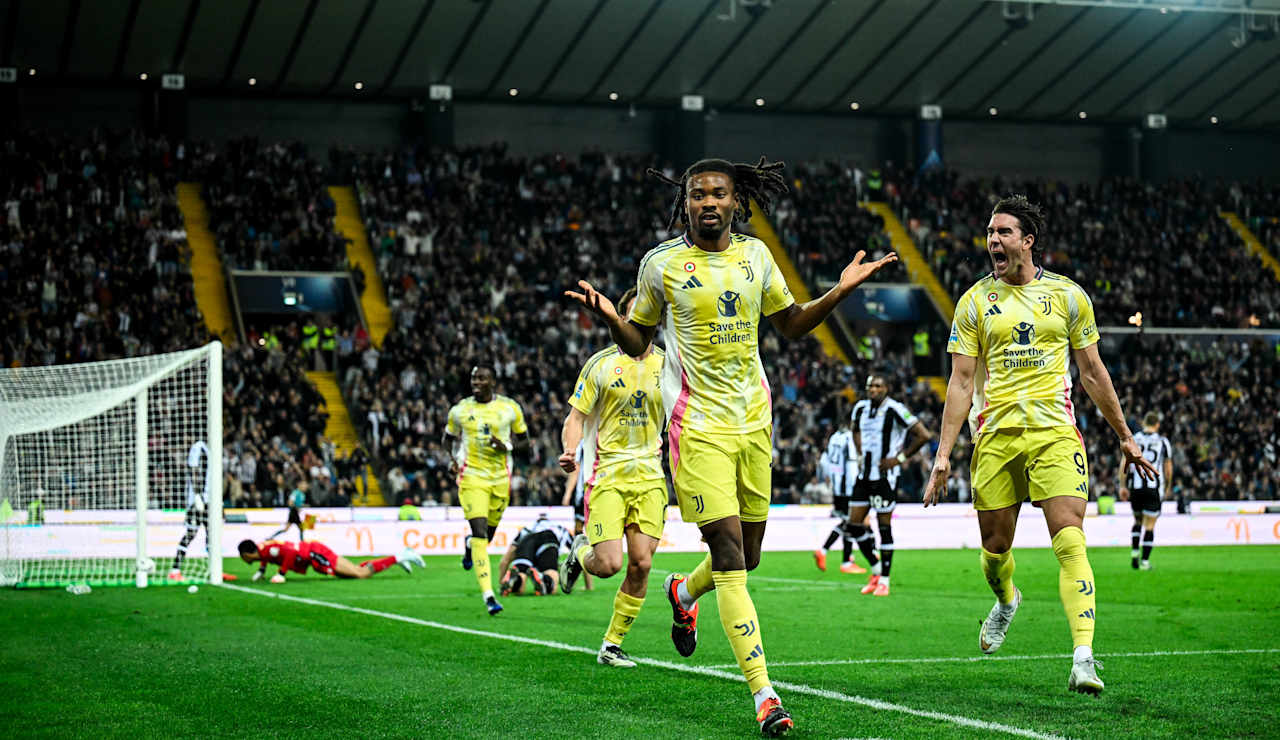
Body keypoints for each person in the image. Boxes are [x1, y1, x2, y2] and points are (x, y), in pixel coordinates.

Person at [566, 156, 896, 735]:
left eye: (718, 193)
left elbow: (790, 324)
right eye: (698, 195)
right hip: (696, 429)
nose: (708, 202)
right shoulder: (661, 265)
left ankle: (682, 591)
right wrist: (612, 319)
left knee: (749, 553)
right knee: (730, 558)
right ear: (686, 203)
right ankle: (764, 694)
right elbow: (640, 338)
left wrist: (839, 291)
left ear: (735, 201)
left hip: (754, 422)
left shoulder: (756, 256)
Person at [923, 194, 1158, 696]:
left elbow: (1093, 372)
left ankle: (1083, 657)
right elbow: (961, 383)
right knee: (994, 549)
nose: (993, 241)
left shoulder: (1070, 297)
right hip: (995, 436)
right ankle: (1007, 599)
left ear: (1027, 241)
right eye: (989, 233)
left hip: (1055, 432)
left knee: (1070, 538)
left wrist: (1125, 436)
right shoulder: (973, 303)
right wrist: (943, 455)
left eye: (1003, 232)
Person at [556, 287, 667, 668]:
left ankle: (612, 644)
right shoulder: (600, 365)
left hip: (651, 476)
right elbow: (576, 417)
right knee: (607, 565)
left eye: (647, 316)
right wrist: (571, 450)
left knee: (642, 564)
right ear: (619, 321)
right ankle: (579, 551)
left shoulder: (669, 366)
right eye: (632, 317)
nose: (640, 323)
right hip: (608, 476)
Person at [444, 366, 530, 616]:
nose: (476, 382)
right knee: (481, 532)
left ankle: (470, 545)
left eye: (481, 378)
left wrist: (506, 446)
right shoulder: (459, 410)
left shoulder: (509, 408)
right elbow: (447, 438)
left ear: (493, 381)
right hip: (471, 477)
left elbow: (526, 442)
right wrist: (451, 459)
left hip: (501, 479)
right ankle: (489, 595)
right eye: (473, 378)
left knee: (488, 535)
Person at [848, 373, 934, 596]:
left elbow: (924, 435)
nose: (873, 390)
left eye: (878, 386)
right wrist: (859, 452)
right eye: (870, 386)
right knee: (854, 525)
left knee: (884, 527)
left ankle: (884, 579)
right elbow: (854, 429)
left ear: (886, 388)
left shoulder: (895, 409)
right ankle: (876, 569)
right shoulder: (860, 408)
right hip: (864, 475)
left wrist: (899, 459)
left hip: (885, 478)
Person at [1118, 412, 1173, 570]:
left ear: (1143, 423)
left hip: (1136, 488)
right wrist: (1168, 487)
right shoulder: (1163, 442)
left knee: (1137, 521)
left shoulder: (1134, 439)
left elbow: (1124, 464)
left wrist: (1122, 485)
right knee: (1150, 525)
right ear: (1157, 425)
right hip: (1153, 488)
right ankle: (1145, 562)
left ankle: (1135, 552)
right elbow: (1168, 469)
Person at [238, 539, 423, 581]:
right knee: (354, 572)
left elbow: (289, 554)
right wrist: (261, 571)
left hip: (315, 554)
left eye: (243, 556)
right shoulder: (264, 550)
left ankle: (402, 556)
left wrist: (281, 574)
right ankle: (397, 559)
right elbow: (267, 558)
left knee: (359, 574)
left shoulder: (269, 549)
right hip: (314, 556)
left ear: (247, 554)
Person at [813, 424, 863, 573]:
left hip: (837, 488)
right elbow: (851, 465)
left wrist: (833, 481)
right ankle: (824, 551)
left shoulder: (835, 437)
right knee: (851, 521)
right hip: (848, 487)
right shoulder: (850, 439)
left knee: (849, 521)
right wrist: (856, 486)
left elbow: (824, 461)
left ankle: (847, 560)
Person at [495, 513, 573, 598]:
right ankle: (543, 578)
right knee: (552, 577)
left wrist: (501, 583)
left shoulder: (526, 528)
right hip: (548, 539)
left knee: (521, 579)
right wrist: (588, 586)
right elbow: (578, 553)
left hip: (527, 540)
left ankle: (514, 580)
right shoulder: (560, 528)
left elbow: (506, 558)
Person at [169, 439, 213, 581]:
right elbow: (193, 470)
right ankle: (175, 569)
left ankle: (214, 570)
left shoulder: (213, 449)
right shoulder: (199, 447)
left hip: (211, 501)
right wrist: (197, 496)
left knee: (211, 535)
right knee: (191, 533)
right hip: (197, 500)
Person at [558, 442, 593, 591]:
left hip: (584, 496)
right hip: (600, 493)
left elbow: (575, 470)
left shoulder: (581, 444)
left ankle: (577, 580)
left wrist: (567, 494)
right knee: (589, 538)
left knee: (580, 539)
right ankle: (588, 585)